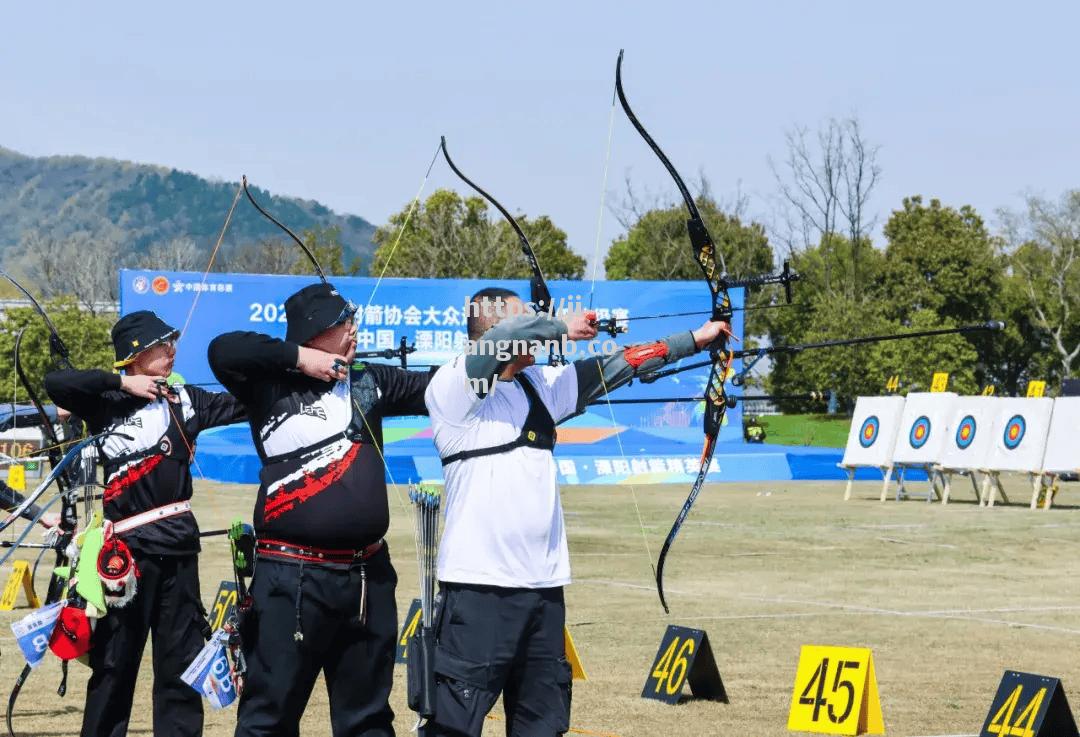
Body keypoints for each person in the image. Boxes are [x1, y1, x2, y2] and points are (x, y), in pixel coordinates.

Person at [422, 287, 730, 736]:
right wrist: (560, 327)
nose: (533, 328)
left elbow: (621, 365)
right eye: (524, 321)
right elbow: (503, 339)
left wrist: (696, 339)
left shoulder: (539, 386)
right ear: (490, 329)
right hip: (479, 589)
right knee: (454, 725)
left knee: (542, 723)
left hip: (543, 592)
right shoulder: (454, 388)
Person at [208, 281, 432, 737]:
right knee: (268, 716)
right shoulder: (267, 384)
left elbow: (442, 385)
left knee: (367, 718)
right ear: (313, 333)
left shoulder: (368, 379)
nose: (354, 330)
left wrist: (517, 344)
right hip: (291, 579)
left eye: (353, 320)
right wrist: (302, 359)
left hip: (366, 578)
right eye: (342, 323)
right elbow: (222, 349)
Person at [44, 310, 247, 737]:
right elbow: (56, 385)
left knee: (181, 664)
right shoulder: (106, 403)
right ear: (135, 356)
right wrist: (122, 383)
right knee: (114, 664)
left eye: (172, 343)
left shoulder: (185, 399)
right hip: (125, 561)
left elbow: (244, 402)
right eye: (161, 345)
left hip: (178, 552)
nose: (172, 351)